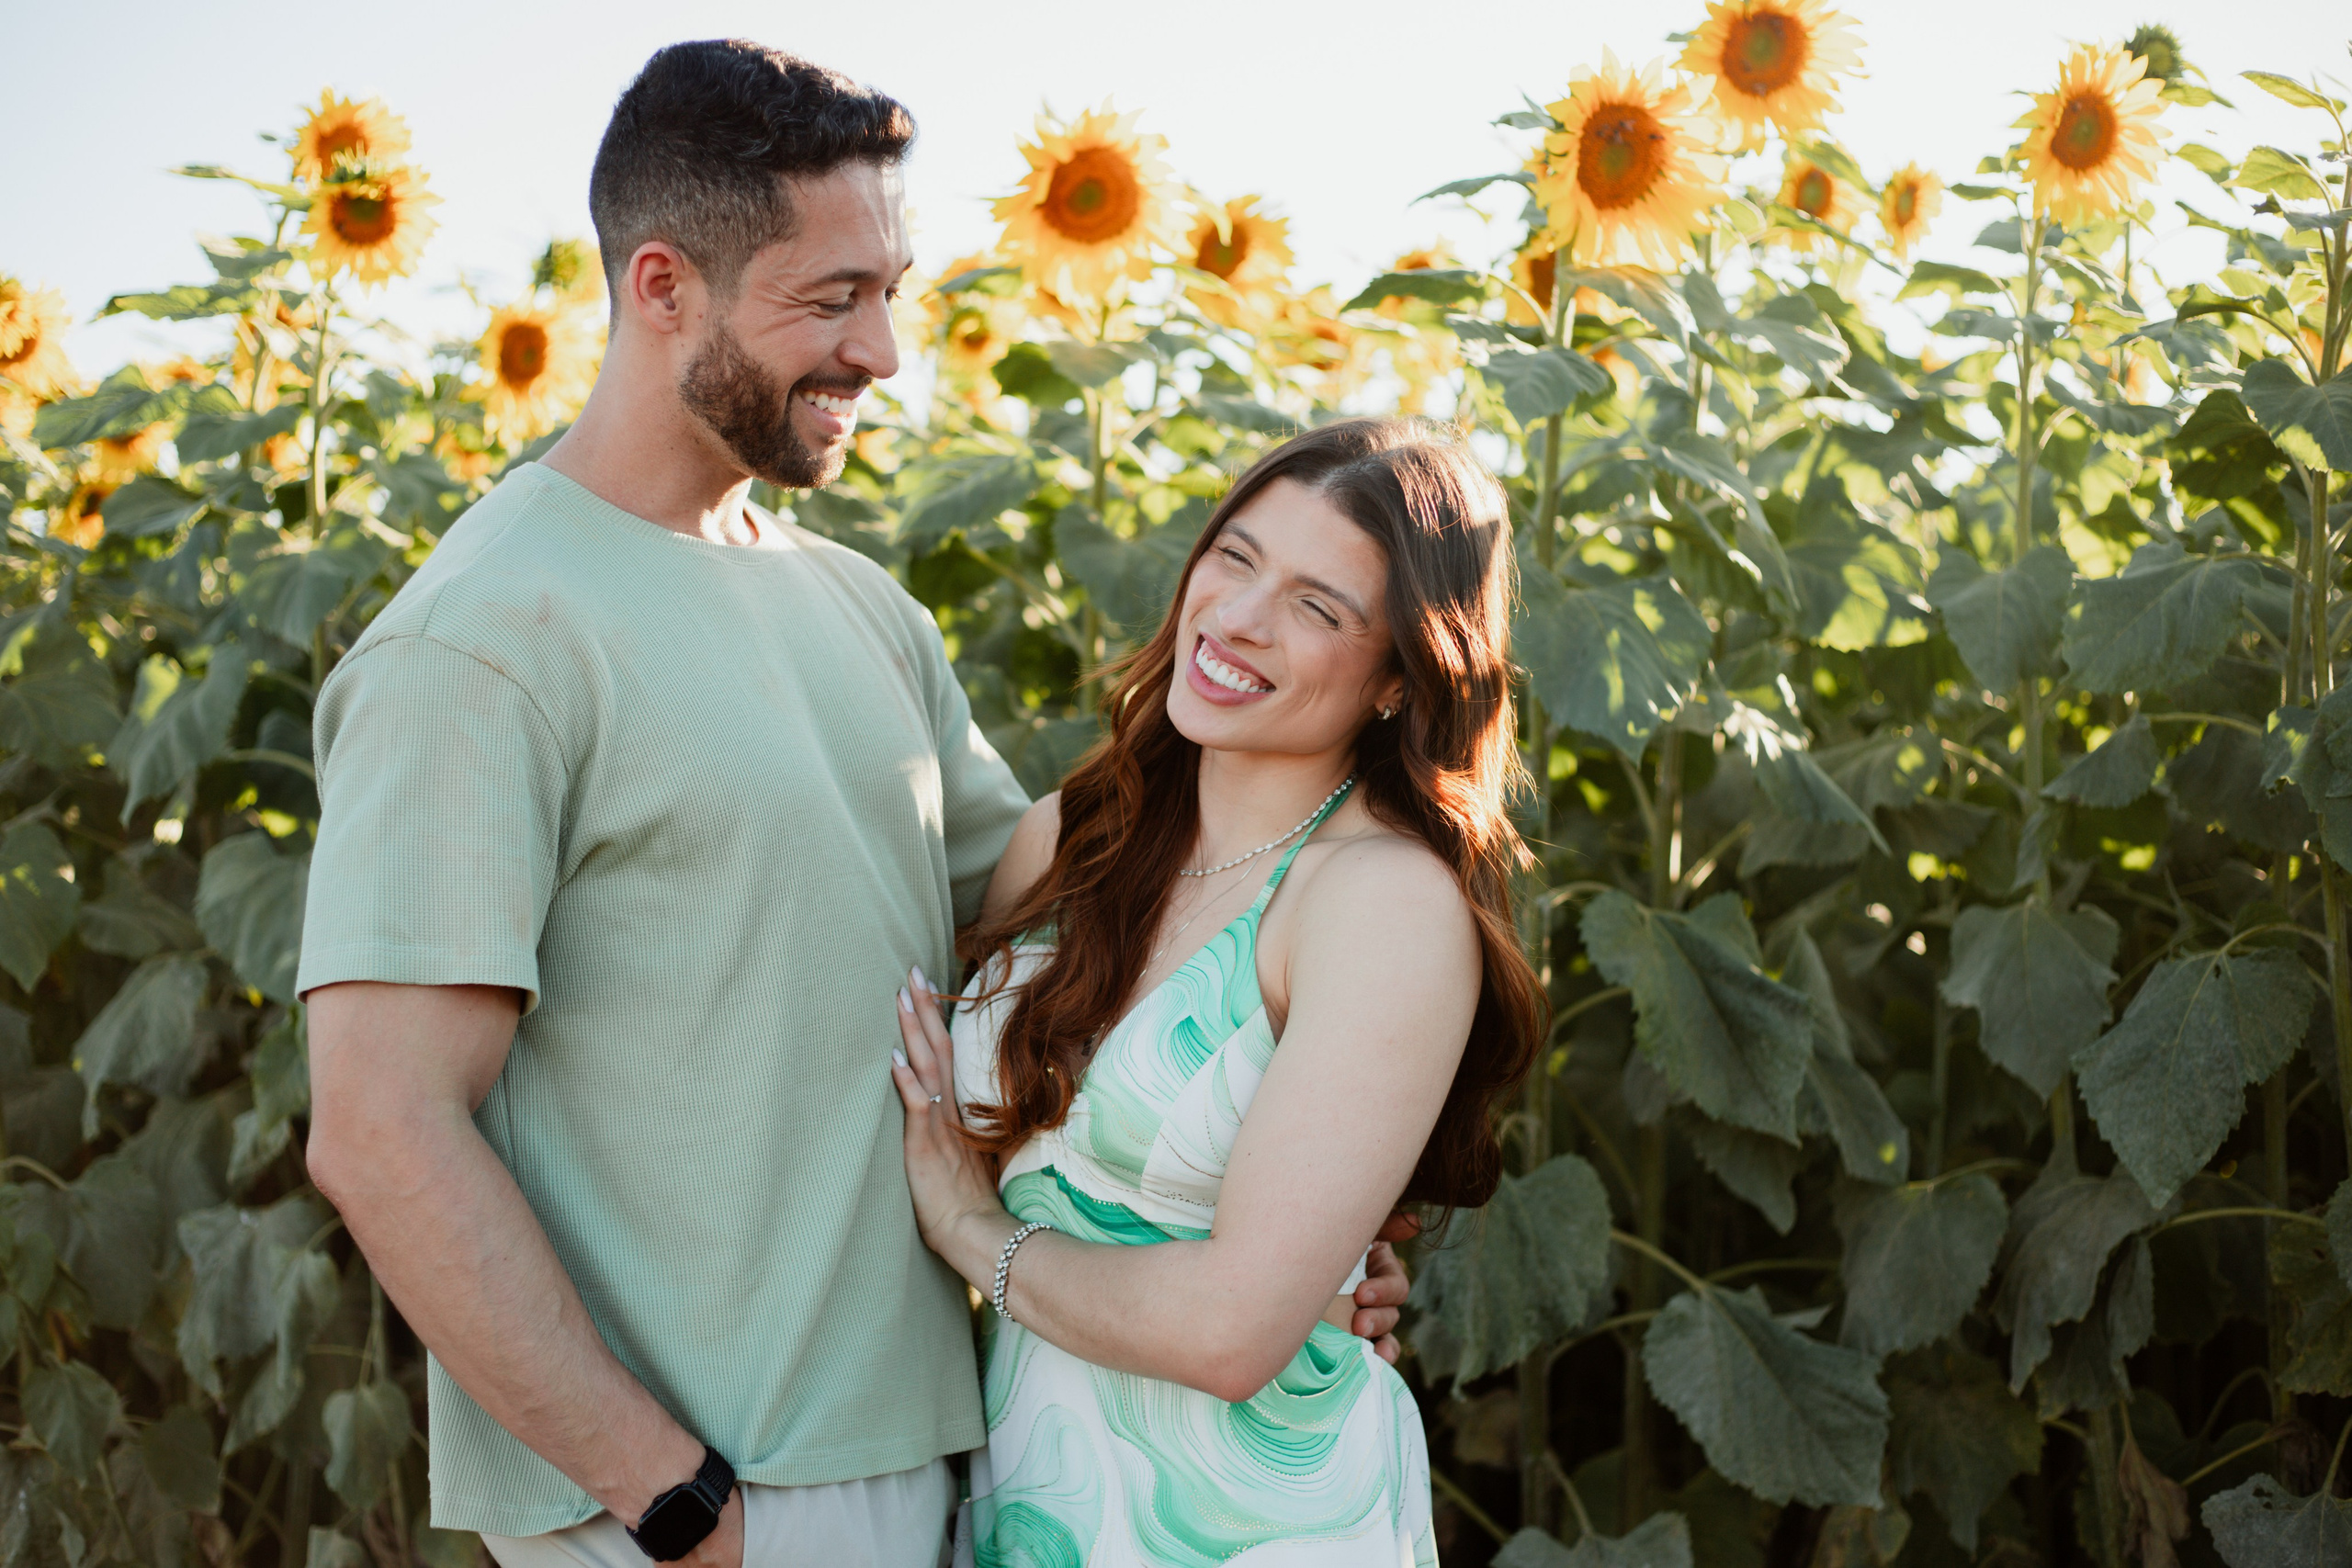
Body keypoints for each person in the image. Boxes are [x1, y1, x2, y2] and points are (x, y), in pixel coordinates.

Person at [298, 39, 1409, 1568]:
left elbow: (1063, 902)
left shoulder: (856, 606)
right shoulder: (485, 638)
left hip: (935, 1452)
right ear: (663, 286)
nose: (885, 350)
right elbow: (377, 1127)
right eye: (832, 299)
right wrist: (678, 1504)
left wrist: (1282, 1231)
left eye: (892, 287)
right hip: (695, 1497)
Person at [888, 418, 1546, 1566]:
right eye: (1235, 557)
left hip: (1250, 1525)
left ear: (1400, 677)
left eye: (1316, 606)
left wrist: (969, 1232)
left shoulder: (1377, 904)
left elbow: (1234, 1333)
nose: (1238, 619)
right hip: (1034, 1500)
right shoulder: (1069, 839)